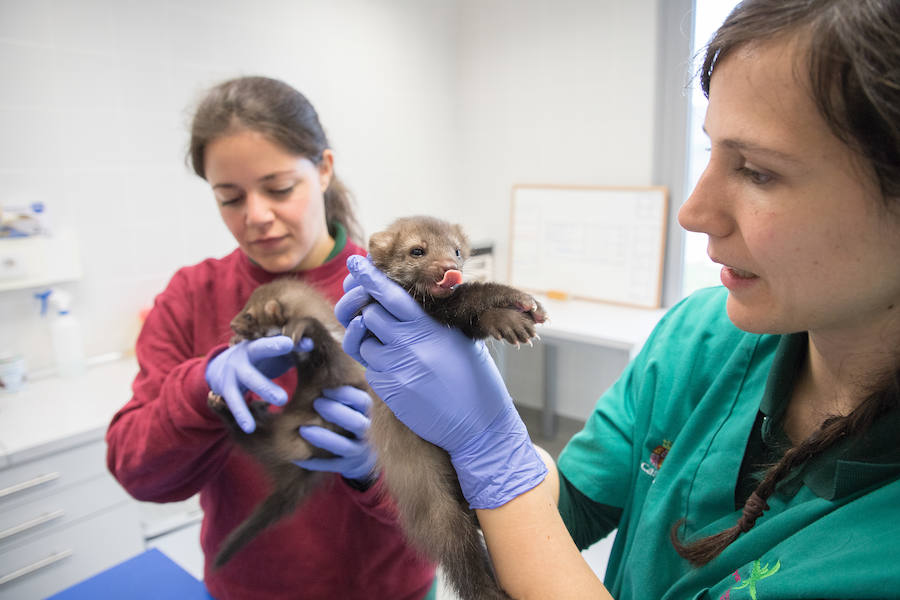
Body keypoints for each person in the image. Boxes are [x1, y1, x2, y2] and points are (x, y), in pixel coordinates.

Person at [334, 1, 900, 598]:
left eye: (757, 171)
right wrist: (465, 448)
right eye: (711, 152)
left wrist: (490, 451)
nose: (690, 212)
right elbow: (573, 502)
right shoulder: (696, 338)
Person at [105, 76, 436, 600]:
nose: (256, 216)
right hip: (250, 588)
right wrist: (199, 389)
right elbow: (140, 474)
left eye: (279, 189)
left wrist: (379, 472)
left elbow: (466, 490)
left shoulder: (397, 296)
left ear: (324, 169)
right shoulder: (192, 296)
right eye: (229, 198)